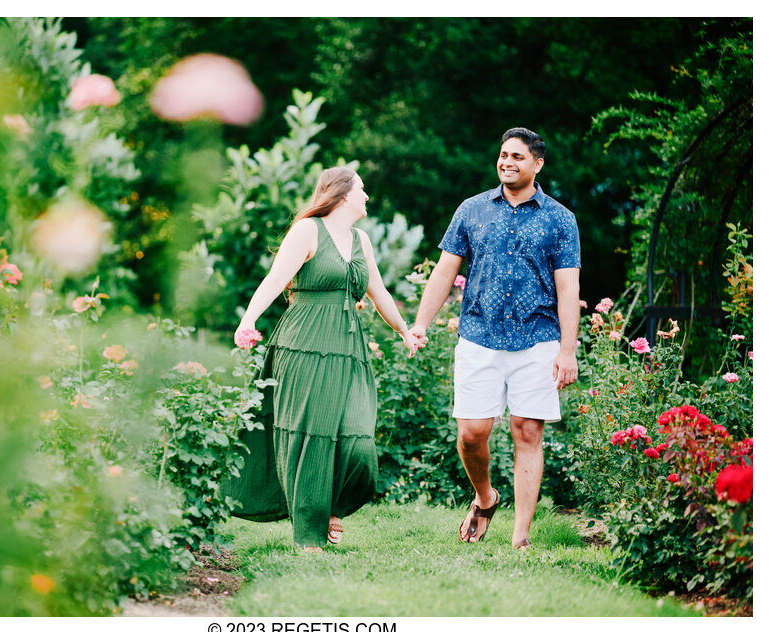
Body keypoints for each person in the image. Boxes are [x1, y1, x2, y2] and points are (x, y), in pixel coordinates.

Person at [224, 166, 422, 552]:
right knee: (309, 437)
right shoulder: (307, 231)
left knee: (359, 440)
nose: (367, 197)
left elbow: (377, 290)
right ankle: (308, 537)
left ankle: (333, 507)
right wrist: (247, 321)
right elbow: (274, 280)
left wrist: (404, 330)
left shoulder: (361, 239)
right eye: (362, 190)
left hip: (348, 349)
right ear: (344, 194)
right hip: (304, 344)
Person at [409, 128, 581, 549]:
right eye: (503, 155)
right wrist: (420, 323)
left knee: (527, 431)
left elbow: (568, 288)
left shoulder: (560, 219)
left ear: (537, 164)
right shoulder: (472, 210)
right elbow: (445, 270)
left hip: (537, 338)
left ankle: (520, 535)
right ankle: (486, 498)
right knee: (471, 432)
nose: (507, 162)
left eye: (517, 157)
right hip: (479, 335)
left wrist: (567, 350)